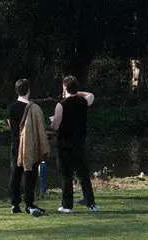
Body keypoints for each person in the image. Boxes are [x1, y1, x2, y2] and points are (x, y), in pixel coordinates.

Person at [50, 75, 96, 212]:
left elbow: (55, 126)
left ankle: (67, 205)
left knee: (66, 175)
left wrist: (52, 122)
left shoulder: (61, 105)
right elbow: (91, 95)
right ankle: (91, 203)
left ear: (64, 88)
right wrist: (77, 92)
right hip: (80, 142)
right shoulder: (83, 101)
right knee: (83, 174)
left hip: (65, 144)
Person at [8, 79, 50, 216]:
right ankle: (29, 203)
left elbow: (11, 126)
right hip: (30, 146)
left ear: (16, 91)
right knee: (29, 175)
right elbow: (40, 128)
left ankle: (15, 202)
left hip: (16, 144)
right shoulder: (35, 108)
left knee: (15, 174)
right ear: (29, 90)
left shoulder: (12, 108)